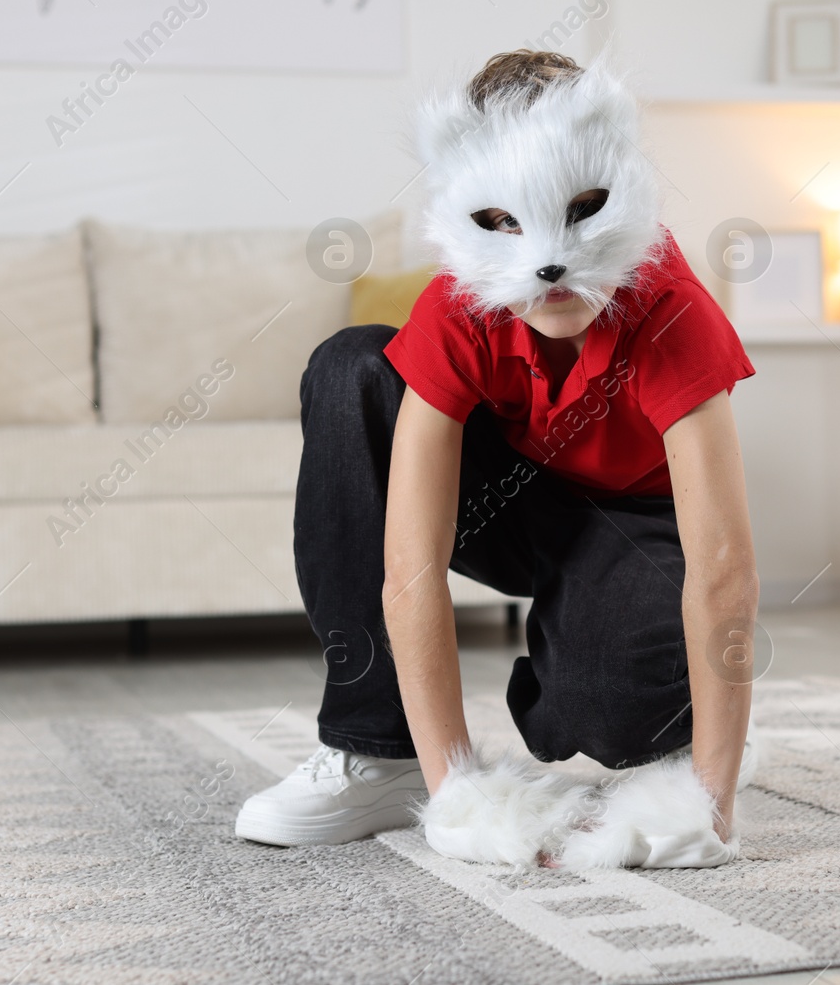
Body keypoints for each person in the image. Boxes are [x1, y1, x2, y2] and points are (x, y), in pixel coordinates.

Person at [235, 50, 759, 868]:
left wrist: (712, 797)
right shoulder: (458, 305)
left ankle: (675, 728)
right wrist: (456, 794)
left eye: (580, 209)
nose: (545, 265)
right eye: (503, 222)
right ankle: (379, 747)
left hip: (630, 521)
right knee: (352, 369)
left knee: (610, 706)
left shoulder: (670, 309)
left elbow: (723, 563)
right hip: (505, 501)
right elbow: (408, 566)